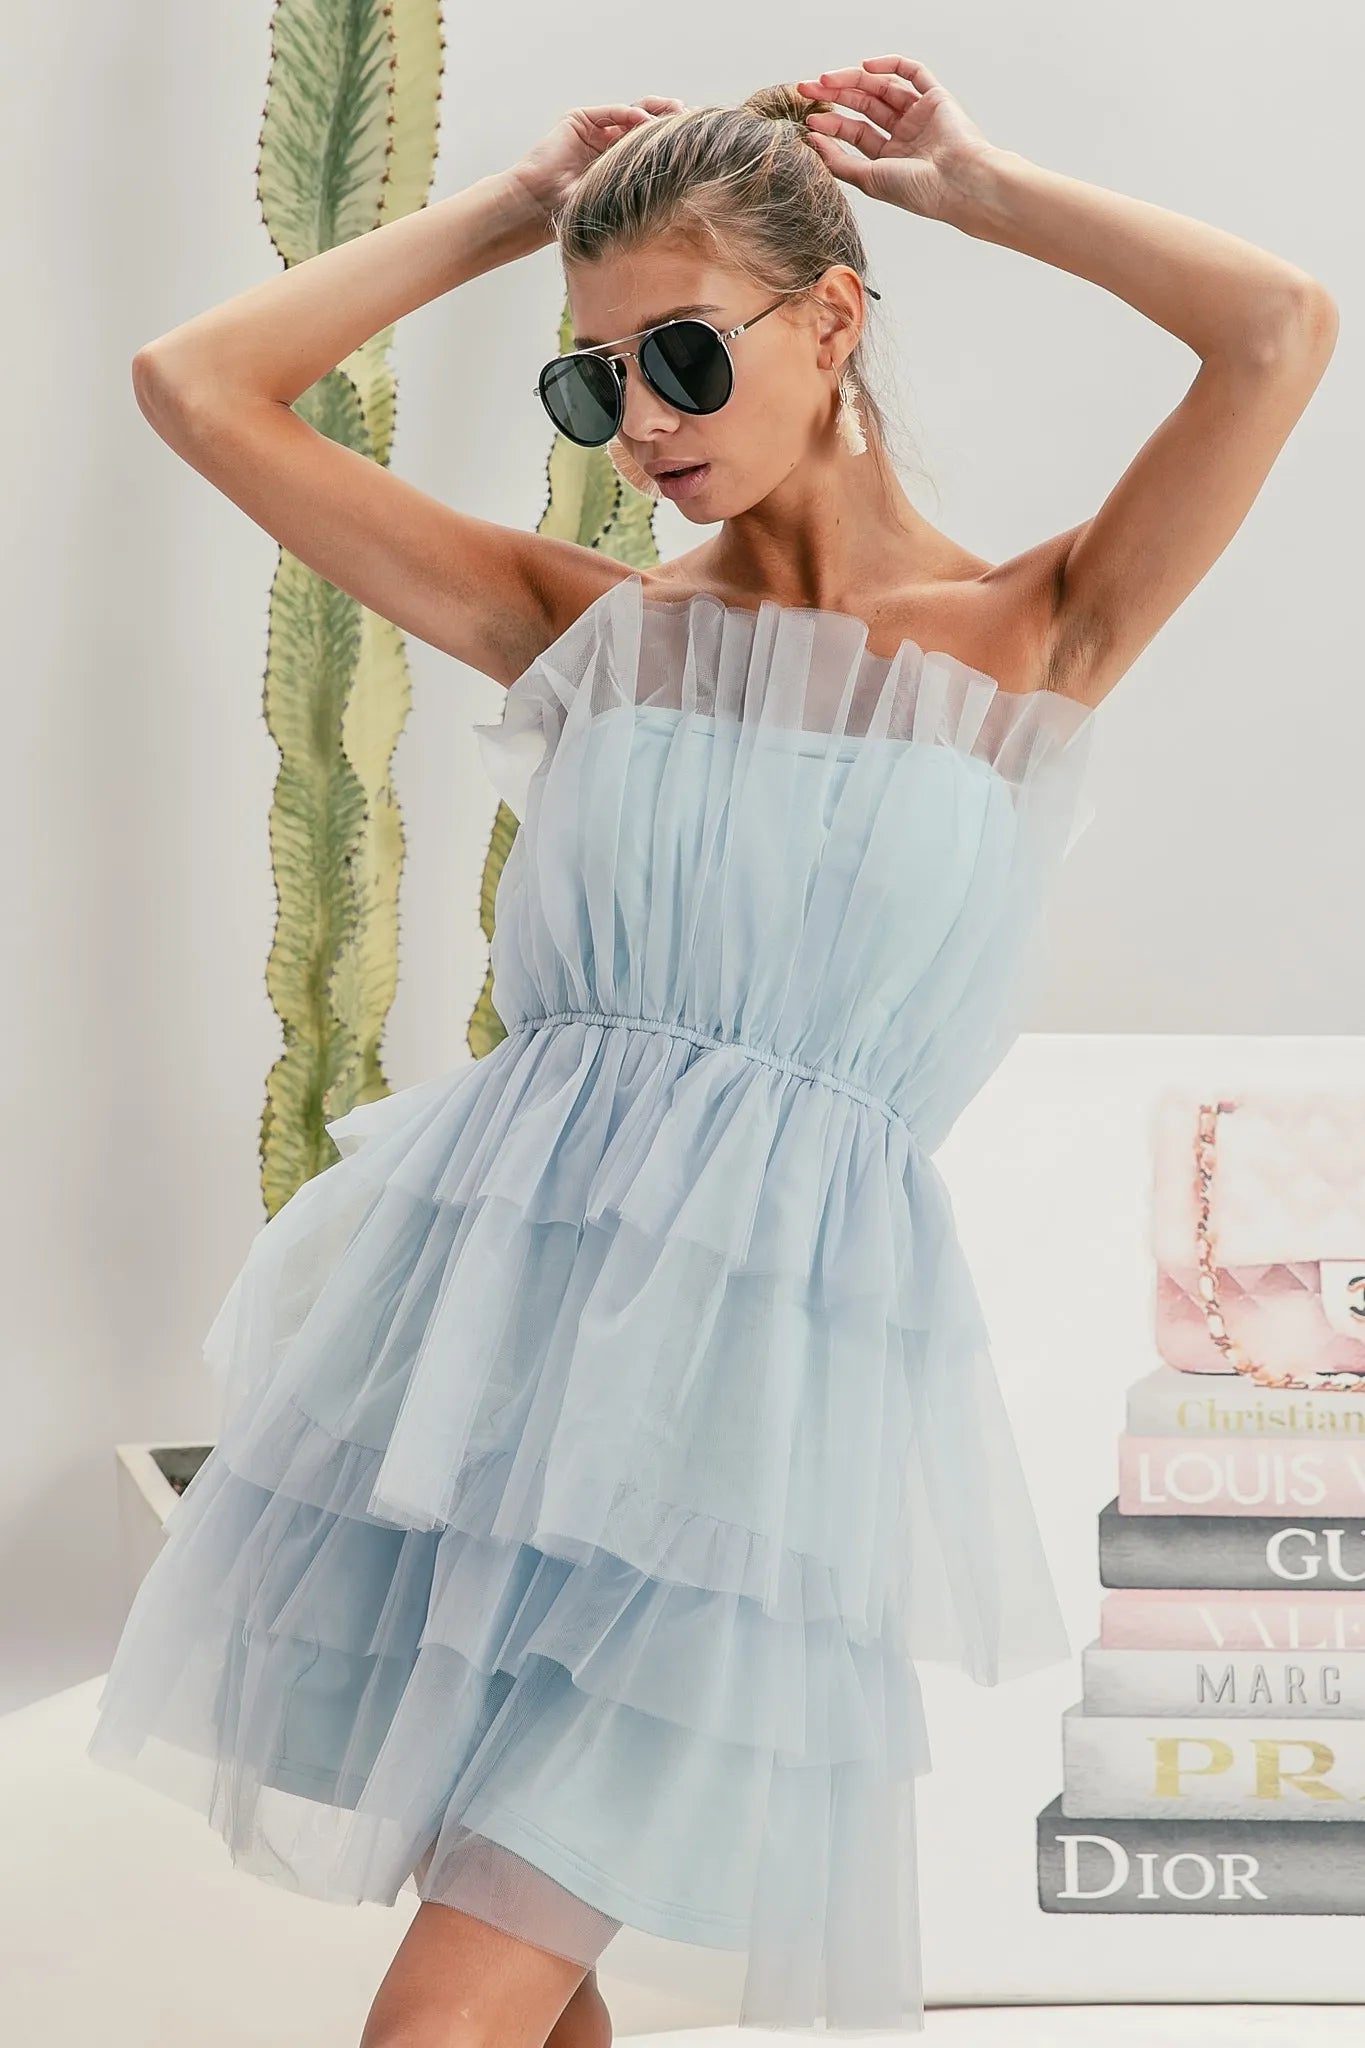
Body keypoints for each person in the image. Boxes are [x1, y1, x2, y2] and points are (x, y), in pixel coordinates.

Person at [89, 54, 1336, 2048]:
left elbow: (1277, 328)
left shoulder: (1035, 632)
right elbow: (192, 381)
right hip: (485, 1377)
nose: (641, 423)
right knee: (517, 1996)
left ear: (831, 316)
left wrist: (974, 183)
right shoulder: (579, 625)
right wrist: (515, 207)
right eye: (591, 384)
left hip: (745, 1439)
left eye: (680, 352)